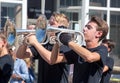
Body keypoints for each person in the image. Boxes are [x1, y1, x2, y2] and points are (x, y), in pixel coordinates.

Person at [50, 16, 109, 83]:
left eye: (89, 28)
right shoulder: (79, 51)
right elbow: (53, 60)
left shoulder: (102, 49)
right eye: (85, 26)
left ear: (99, 34)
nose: (84, 29)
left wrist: (68, 41)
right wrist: (58, 41)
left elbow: (89, 57)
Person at [16, 12, 70, 83]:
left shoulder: (66, 44)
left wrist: (35, 43)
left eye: (52, 24)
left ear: (62, 26)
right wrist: (25, 42)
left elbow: (51, 59)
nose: (48, 26)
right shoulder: (44, 43)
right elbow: (20, 55)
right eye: (49, 23)